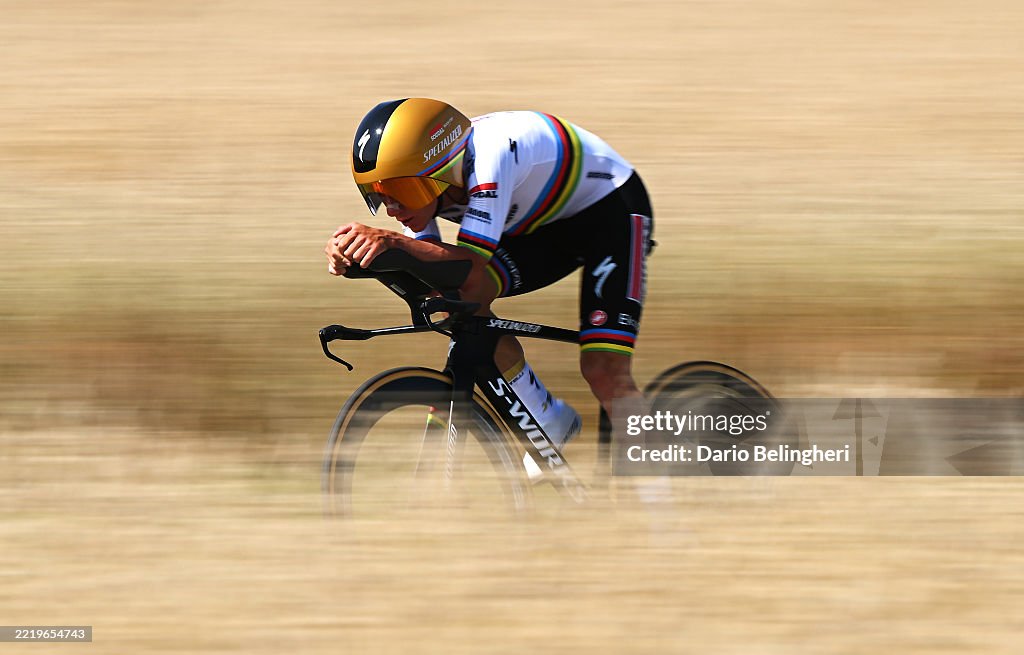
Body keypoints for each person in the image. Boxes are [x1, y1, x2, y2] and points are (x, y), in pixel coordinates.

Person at [325, 98, 654, 451]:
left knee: (604, 370)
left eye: (402, 192)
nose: (392, 210)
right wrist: (356, 257)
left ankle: (659, 491)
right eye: (378, 194)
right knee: (456, 300)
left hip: (609, 213)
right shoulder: (432, 180)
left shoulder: (490, 159)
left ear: (442, 170)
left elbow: (469, 265)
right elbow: (434, 275)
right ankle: (546, 417)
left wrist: (392, 243)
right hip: (536, 223)